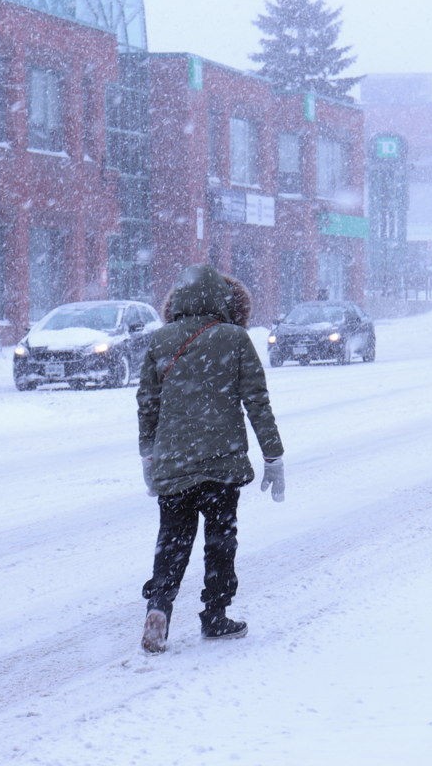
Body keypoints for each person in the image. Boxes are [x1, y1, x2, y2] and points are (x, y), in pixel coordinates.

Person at [137, 264, 285, 653]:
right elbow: (257, 402)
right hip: (222, 463)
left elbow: (147, 405)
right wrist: (273, 455)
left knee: (172, 540)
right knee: (220, 541)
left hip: (174, 462)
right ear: (225, 300)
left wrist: (148, 456)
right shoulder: (235, 338)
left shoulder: (161, 340)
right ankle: (215, 615)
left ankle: (159, 606)